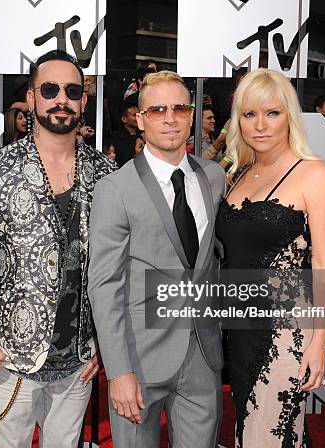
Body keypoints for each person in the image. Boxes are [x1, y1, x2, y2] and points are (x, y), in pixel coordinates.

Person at [0, 49, 116, 448]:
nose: (62, 98)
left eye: (72, 90)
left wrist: (105, 347)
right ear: (31, 97)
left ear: (84, 101)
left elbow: (115, 272)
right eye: (51, 89)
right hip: (9, 361)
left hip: (79, 361)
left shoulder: (107, 175)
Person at [88, 71, 224, 448]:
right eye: (158, 109)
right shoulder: (114, 189)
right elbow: (104, 286)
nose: (170, 118)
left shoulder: (213, 177)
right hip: (138, 359)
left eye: (179, 108)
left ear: (191, 114)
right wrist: (118, 371)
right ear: (141, 118)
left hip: (202, 356)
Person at [216, 68, 325, 447]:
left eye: (272, 113)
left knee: (267, 435)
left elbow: (324, 263)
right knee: (254, 432)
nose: (260, 125)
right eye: (249, 114)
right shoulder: (239, 174)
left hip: (285, 334)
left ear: (289, 116)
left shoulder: (315, 175)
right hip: (239, 331)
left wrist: (319, 341)